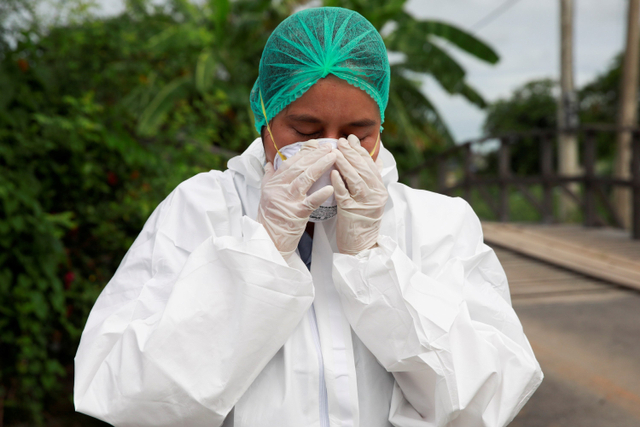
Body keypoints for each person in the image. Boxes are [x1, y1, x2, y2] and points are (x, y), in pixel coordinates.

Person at [74, 7, 542, 427]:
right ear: (265, 119)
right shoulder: (199, 209)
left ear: (381, 125)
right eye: (305, 130)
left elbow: (484, 403)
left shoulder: (439, 223)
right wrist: (260, 252)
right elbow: (128, 398)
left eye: (358, 133)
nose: (332, 150)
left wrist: (374, 266)